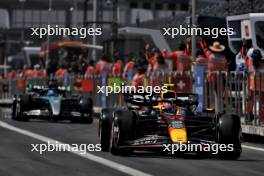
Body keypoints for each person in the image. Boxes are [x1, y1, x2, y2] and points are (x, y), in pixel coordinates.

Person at [248, 49, 264, 122]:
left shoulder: (250, 63)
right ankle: (260, 117)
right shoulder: (262, 65)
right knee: (259, 101)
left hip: (254, 85)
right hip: (260, 86)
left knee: (252, 101)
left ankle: (250, 116)